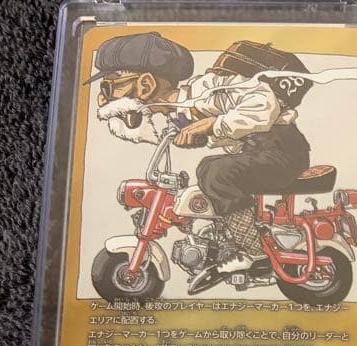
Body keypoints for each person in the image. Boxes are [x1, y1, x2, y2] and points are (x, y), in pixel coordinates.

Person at [89, 32, 312, 271]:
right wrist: (196, 134)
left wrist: (214, 124)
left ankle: (254, 250)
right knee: (207, 170)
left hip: (282, 151)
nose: (102, 100)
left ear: (146, 85)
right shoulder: (179, 114)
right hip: (257, 152)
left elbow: (264, 102)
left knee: (216, 172)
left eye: (109, 87)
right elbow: (204, 132)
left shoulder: (208, 89)